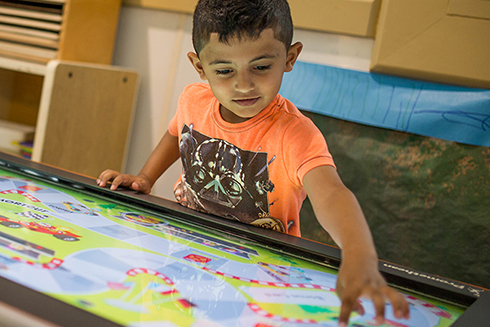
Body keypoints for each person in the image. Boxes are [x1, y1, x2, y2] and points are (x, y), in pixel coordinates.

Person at [98, 0, 410, 325]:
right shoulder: (193, 99)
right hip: (188, 250)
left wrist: (359, 255)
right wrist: (146, 177)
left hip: (261, 272)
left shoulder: (296, 134)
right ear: (199, 66)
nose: (243, 84)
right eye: (224, 71)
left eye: (260, 67)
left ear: (289, 58)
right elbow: (176, 134)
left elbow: (331, 192)